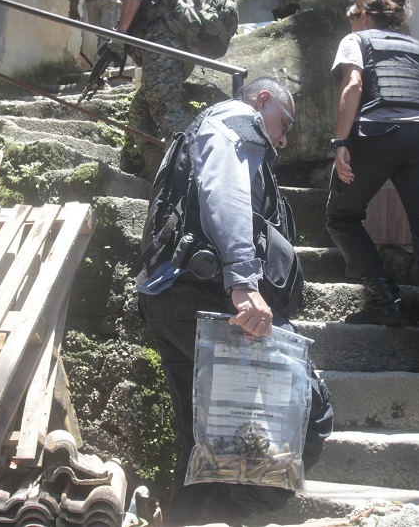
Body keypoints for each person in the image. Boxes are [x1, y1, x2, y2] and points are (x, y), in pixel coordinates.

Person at [135, 77, 333, 525]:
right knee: (309, 406)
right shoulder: (235, 121)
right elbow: (224, 195)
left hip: (169, 297)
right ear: (263, 101)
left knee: (204, 438)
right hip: (211, 300)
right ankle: (229, 517)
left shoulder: (200, 129)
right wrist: (243, 284)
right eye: (284, 123)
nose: (282, 138)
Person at [325, 0, 419, 378]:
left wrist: (340, 142)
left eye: (354, 16)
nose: (352, 23)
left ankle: (386, 298)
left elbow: (352, 85)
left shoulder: (356, 39)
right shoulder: (418, 49)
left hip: (377, 132)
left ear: (366, 16)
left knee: (341, 215)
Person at [113, 0, 197, 181]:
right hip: (172, 48)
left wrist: (120, 34)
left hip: (164, 43)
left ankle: (192, 173)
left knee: (163, 106)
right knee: (140, 110)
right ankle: (155, 168)